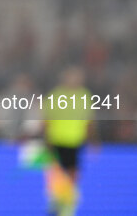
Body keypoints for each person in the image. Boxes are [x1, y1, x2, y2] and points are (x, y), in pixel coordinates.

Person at [43, 66, 97, 216]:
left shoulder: (84, 96)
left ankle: (67, 206)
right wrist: (47, 140)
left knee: (73, 174)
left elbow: (88, 121)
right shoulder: (55, 96)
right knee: (57, 174)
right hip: (57, 140)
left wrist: (93, 141)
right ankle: (57, 202)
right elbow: (47, 120)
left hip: (75, 142)